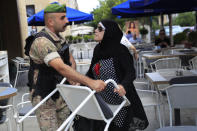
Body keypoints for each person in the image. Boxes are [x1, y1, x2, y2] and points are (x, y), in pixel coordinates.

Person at [29, 3, 106, 131]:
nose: (67, 21)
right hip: (45, 97)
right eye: (63, 18)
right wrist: (90, 82)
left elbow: (70, 60)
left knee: (65, 129)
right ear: (50, 21)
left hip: (62, 94)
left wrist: (73, 78)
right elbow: (61, 67)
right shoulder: (42, 41)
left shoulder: (60, 39)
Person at [73, 19, 148, 131]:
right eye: (96, 28)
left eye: (99, 28)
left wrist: (123, 85)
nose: (95, 31)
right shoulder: (98, 49)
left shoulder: (121, 50)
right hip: (102, 101)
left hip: (120, 101)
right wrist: (81, 82)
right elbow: (91, 72)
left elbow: (131, 72)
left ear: (109, 32)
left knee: (117, 128)